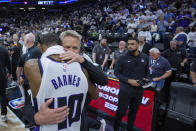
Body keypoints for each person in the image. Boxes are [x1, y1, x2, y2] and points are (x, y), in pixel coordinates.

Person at [23, 30, 108, 130]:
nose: (71, 51)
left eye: (75, 48)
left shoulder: (85, 63)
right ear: (60, 46)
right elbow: (28, 105)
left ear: (80, 50)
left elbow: (103, 81)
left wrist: (82, 61)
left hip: (79, 123)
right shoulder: (42, 67)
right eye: (67, 47)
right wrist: (36, 118)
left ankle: (99, 125)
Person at [113, 37, 149, 131]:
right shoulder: (122, 58)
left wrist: (146, 79)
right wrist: (129, 80)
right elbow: (116, 73)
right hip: (125, 89)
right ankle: (116, 129)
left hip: (139, 90)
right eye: (128, 44)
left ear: (138, 45)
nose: (130, 46)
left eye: (132, 44)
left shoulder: (145, 57)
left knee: (133, 113)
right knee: (121, 112)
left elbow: (147, 71)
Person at [0, 43, 12, 122]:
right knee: (2, 94)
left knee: (2, 95)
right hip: (1, 75)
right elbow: (8, 63)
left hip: (2, 74)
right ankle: (4, 114)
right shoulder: (4, 49)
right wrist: (10, 72)